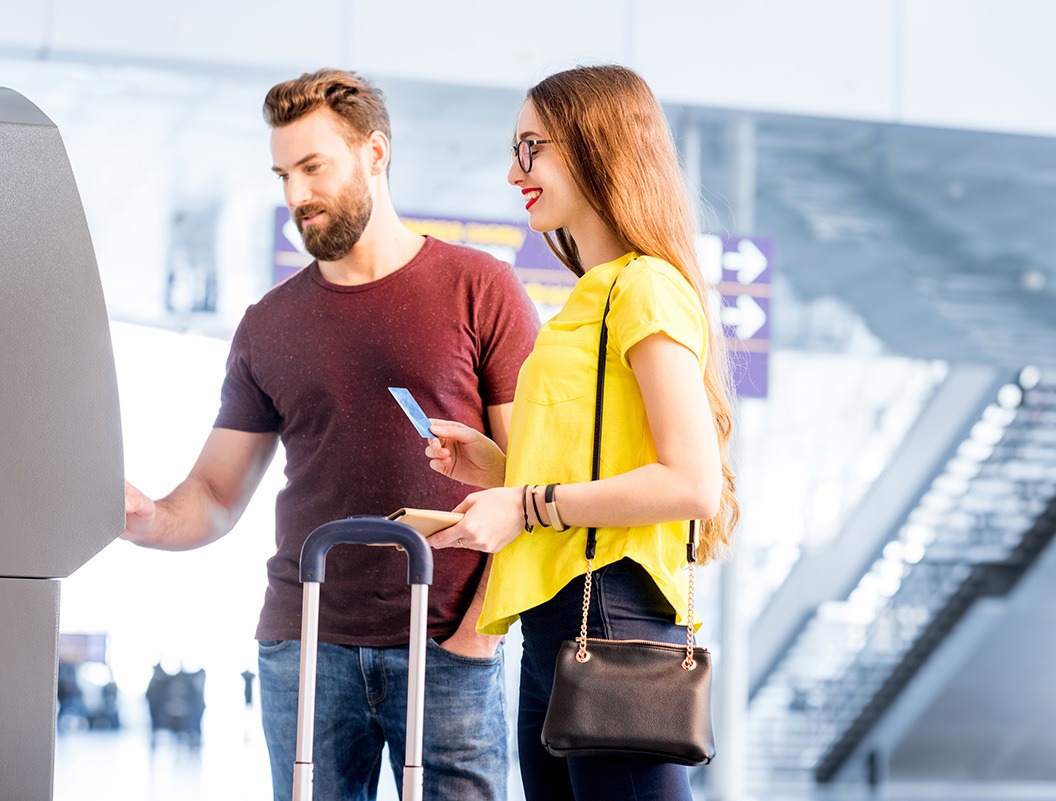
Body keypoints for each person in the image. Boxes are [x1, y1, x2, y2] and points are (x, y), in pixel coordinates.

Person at [122, 69, 539, 800]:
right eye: (284, 173)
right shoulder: (268, 323)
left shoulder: (482, 288)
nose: (295, 195)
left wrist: (478, 637)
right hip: (304, 641)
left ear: (374, 154)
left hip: (444, 643)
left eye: (313, 167)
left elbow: (530, 482)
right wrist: (146, 519)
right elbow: (215, 493)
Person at [423, 65, 740, 801]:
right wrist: (502, 470)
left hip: (611, 614)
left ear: (595, 146)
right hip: (560, 624)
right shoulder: (590, 298)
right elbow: (606, 462)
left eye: (531, 147)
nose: (513, 171)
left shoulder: (646, 287)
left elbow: (688, 482)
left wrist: (526, 503)